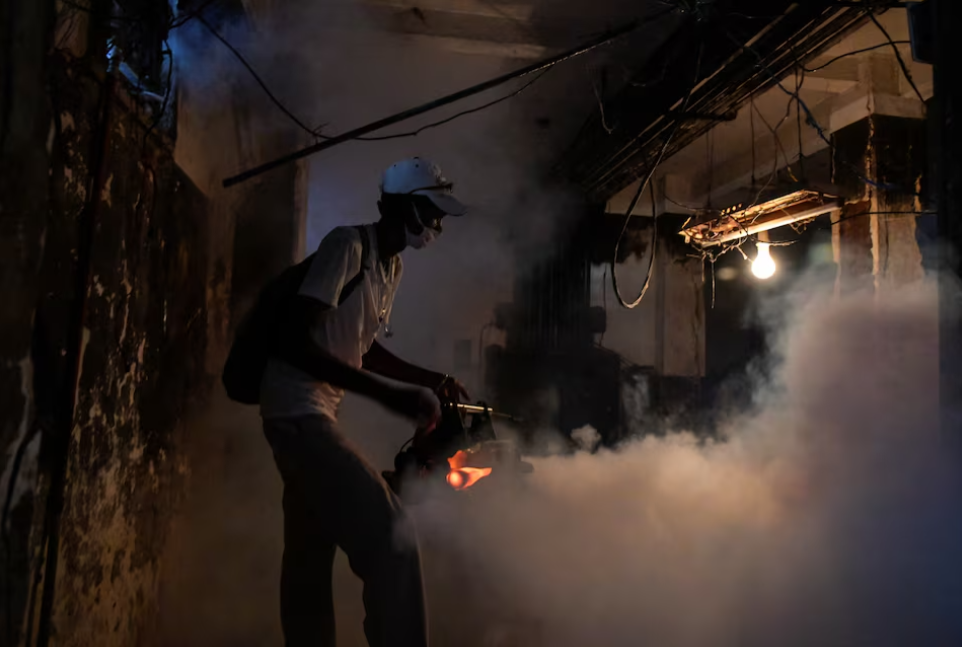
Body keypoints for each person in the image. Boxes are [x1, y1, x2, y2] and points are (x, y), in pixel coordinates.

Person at [260, 157, 470, 647]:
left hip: (310, 413)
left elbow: (362, 345)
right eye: (431, 211)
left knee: (308, 559)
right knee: (392, 539)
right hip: (297, 412)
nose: (437, 224)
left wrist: (430, 379)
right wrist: (389, 395)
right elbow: (296, 337)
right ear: (404, 207)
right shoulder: (346, 245)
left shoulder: (388, 266)